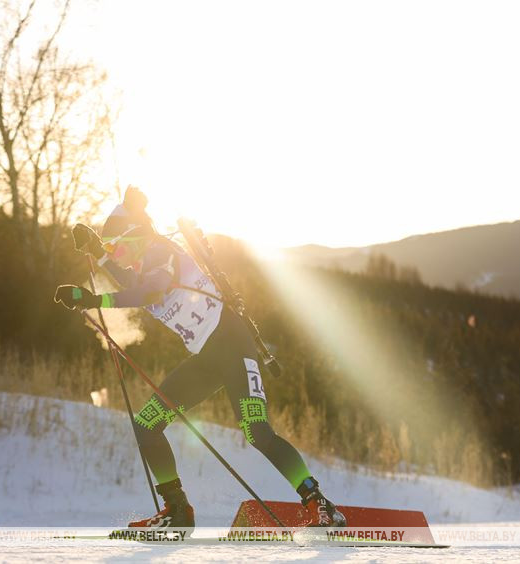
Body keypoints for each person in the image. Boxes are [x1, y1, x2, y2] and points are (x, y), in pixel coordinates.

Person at [55, 186, 345, 529]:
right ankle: (177, 510)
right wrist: (96, 251)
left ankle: (319, 504)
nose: (115, 255)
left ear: (135, 237)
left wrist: (95, 300)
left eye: (116, 246)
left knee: (257, 433)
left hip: (233, 346)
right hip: (206, 358)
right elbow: (132, 282)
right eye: (110, 250)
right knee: (146, 426)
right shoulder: (144, 262)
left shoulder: (162, 252)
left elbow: (150, 290)